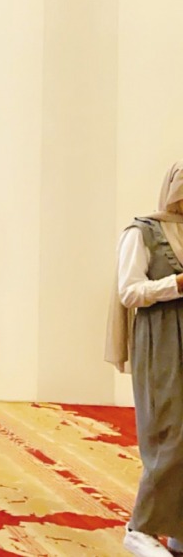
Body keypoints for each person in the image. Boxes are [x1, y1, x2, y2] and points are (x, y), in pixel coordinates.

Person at [109, 161, 183, 557]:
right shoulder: (142, 232)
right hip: (163, 340)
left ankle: (178, 529)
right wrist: (177, 283)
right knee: (169, 434)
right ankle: (141, 527)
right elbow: (130, 291)